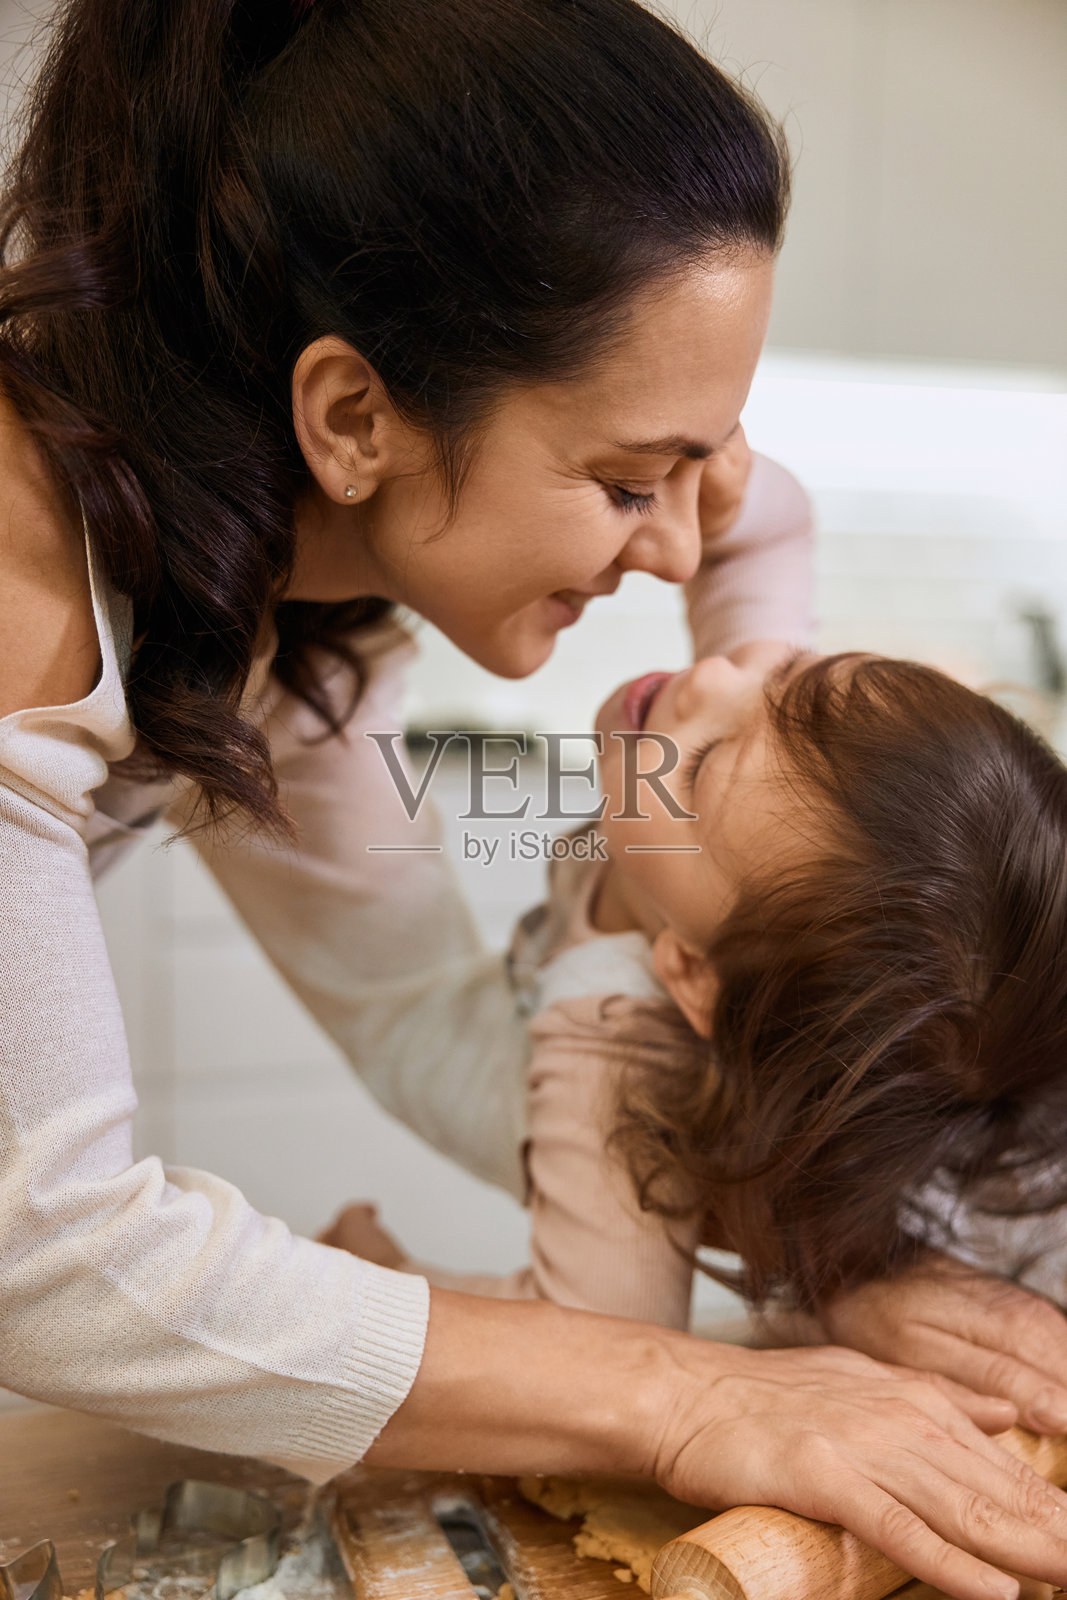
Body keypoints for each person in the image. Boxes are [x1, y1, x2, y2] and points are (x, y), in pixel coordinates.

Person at [1, 1, 1066, 1594]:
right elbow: (50, 1254)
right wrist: (690, 1390)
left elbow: (436, 1028)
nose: (682, 551)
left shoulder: (282, 617)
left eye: (699, 474)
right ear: (353, 416)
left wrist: (803, 1246)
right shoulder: (20, 570)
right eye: (632, 482)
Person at [328, 577, 1067, 1391]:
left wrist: (376, 1286)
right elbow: (762, 544)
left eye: (706, 763)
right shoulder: (769, 847)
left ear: (688, 974)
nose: (713, 675)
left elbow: (600, 1342)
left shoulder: (616, 1033)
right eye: (795, 669)